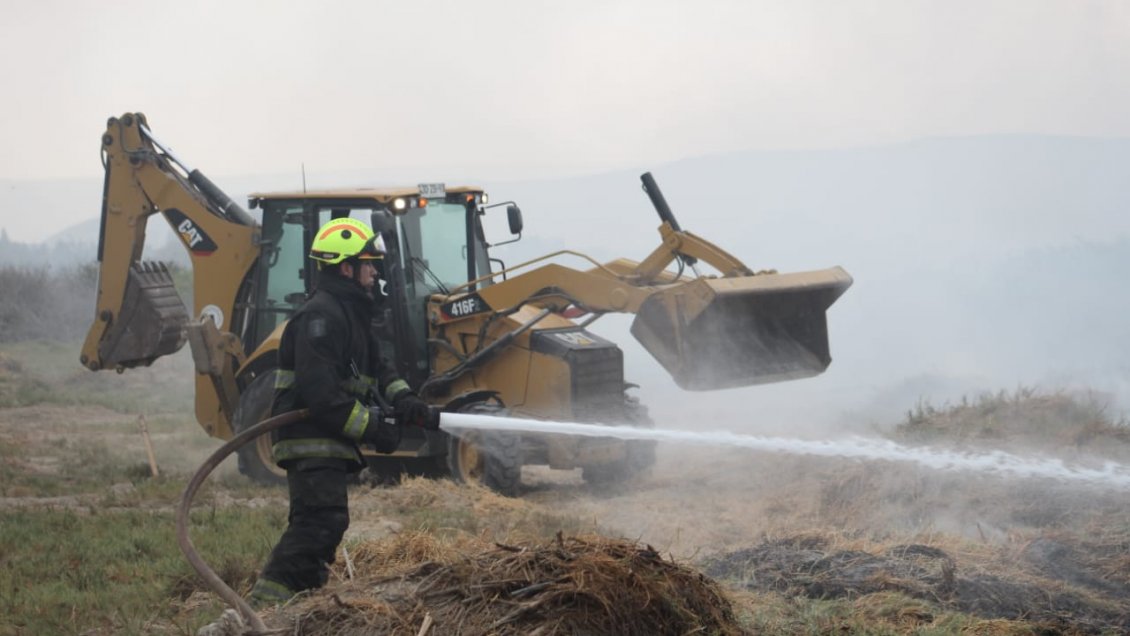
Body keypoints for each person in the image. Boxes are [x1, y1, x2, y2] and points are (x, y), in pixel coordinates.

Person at [248, 217, 439, 607]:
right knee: (318, 522)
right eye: (368, 263)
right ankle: (265, 610)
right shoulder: (321, 318)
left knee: (327, 523)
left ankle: (300, 603)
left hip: (327, 440)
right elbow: (321, 396)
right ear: (346, 268)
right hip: (310, 439)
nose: (374, 272)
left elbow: (378, 368)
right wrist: (373, 428)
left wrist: (405, 400)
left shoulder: (352, 314)